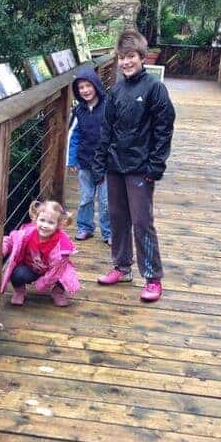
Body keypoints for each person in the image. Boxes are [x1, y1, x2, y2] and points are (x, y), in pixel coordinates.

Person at [92, 28, 175, 302]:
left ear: (142, 57)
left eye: (131, 57)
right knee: (117, 218)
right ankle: (122, 266)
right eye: (121, 58)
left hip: (140, 167)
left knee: (141, 221)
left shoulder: (154, 88)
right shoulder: (116, 90)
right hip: (115, 165)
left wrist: (156, 165)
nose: (126, 62)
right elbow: (106, 129)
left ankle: (152, 278)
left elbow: (164, 128)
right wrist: (99, 163)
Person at [1, 199, 80, 307]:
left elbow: (57, 269)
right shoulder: (27, 233)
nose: (45, 225)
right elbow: (11, 240)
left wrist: (43, 283)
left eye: (51, 222)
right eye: (42, 220)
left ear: (58, 225)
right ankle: (19, 291)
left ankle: (57, 292)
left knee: (67, 275)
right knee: (17, 273)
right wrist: (3, 248)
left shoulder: (62, 246)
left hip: (53, 271)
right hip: (31, 268)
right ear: (35, 219)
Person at [67, 64, 111, 244]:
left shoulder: (108, 107)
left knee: (106, 200)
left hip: (106, 163)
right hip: (85, 162)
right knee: (86, 197)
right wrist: (72, 159)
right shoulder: (78, 111)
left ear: (95, 85)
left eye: (88, 86)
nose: (85, 90)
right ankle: (85, 227)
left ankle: (109, 232)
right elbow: (74, 136)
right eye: (81, 88)